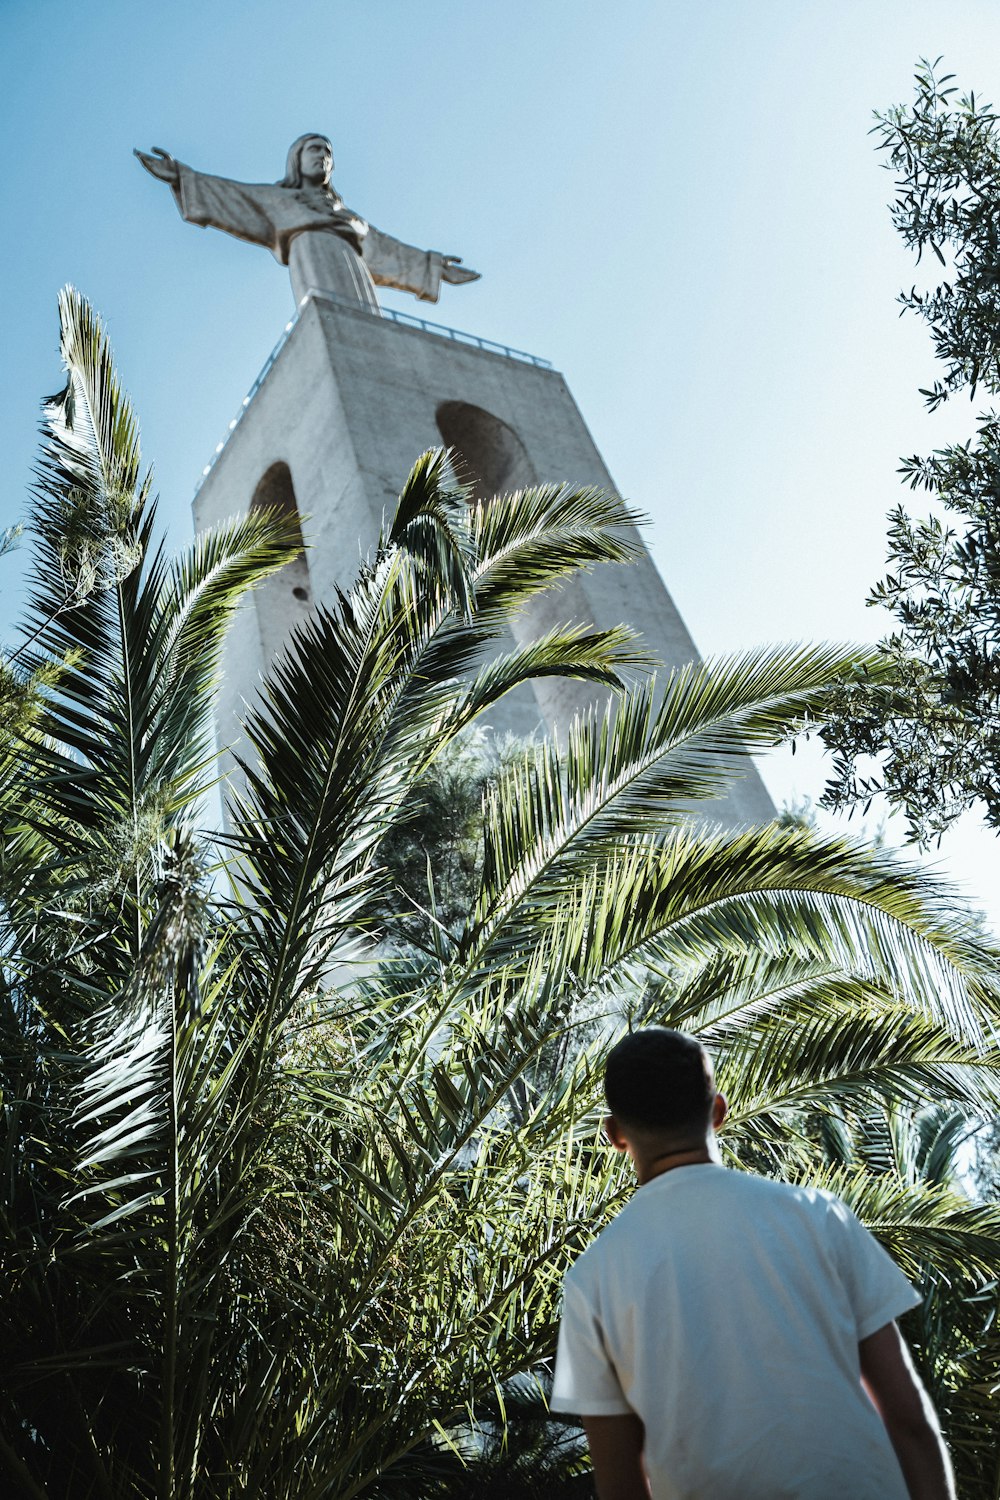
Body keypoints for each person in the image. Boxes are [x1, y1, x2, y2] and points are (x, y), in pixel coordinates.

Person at [550, 1027, 955, 1500]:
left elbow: (620, 1485)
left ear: (614, 1133)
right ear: (718, 1111)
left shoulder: (591, 1279)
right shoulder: (818, 1217)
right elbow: (907, 1418)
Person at [135, 133, 480, 310]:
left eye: (327, 153)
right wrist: (181, 175)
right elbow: (230, 194)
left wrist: (433, 266)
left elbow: (387, 250)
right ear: (296, 160)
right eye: (314, 150)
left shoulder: (347, 218)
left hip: (354, 266)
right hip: (311, 253)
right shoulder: (276, 199)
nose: (322, 157)